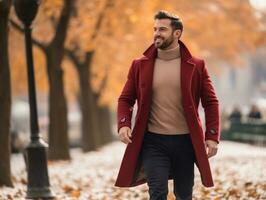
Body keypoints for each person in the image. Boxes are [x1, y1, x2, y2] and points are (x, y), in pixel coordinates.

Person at [115, 10, 220, 200]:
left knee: (184, 194)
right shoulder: (140, 65)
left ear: (177, 33)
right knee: (157, 192)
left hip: (186, 142)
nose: (157, 33)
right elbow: (125, 99)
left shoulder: (196, 65)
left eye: (162, 29)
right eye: (155, 29)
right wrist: (123, 124)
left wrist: (212, 136)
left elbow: (211, 102)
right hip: (153, 142)